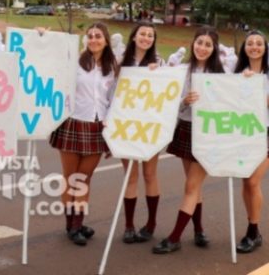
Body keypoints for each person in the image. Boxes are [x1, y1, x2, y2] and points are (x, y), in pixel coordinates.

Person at [153, 26, 225, 254]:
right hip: (186, 128)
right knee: (195, 186)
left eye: (207, 45)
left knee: (191, 186)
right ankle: (199, 229)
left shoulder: (221, 76)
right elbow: (167, 100)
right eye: (199, 42)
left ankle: (174, 237)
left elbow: (231, 102)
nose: (202, 48)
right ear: (193, 43)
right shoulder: (182, 70)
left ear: (213, 49)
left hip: (208, 133)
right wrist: (184, 100)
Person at [49, 22, 119, 247]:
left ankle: (77, 224)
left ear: (105, 40)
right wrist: (42, 37)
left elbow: (117, 98)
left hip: (98, 126)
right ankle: (72, 226)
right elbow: (49, 63)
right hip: (73, 122)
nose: (94, 40)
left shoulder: (113, 67)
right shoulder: (76, 63)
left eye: (98, 36)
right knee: (71, 179)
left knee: (85, 179)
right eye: (90, 36)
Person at [233, 31, 269, 253]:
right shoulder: (237, 74)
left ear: (265, 48)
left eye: (259, 43)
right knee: (246, 181)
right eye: (250, 43)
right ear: (244, 48)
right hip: (245, 131)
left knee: (253, 181)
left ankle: (253, 231)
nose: (254, 47)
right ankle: (253, 226)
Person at [119, 22, 162, 244]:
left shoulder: (158, 63)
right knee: (131, 176)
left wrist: (158, 74)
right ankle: (128, 225)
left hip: (149, 128)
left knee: (149, 175)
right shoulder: (120, 62)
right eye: (142, 34)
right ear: (134, 37)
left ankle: (152, 222)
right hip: (125, 127)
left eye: (150, 35)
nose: (146, 38)